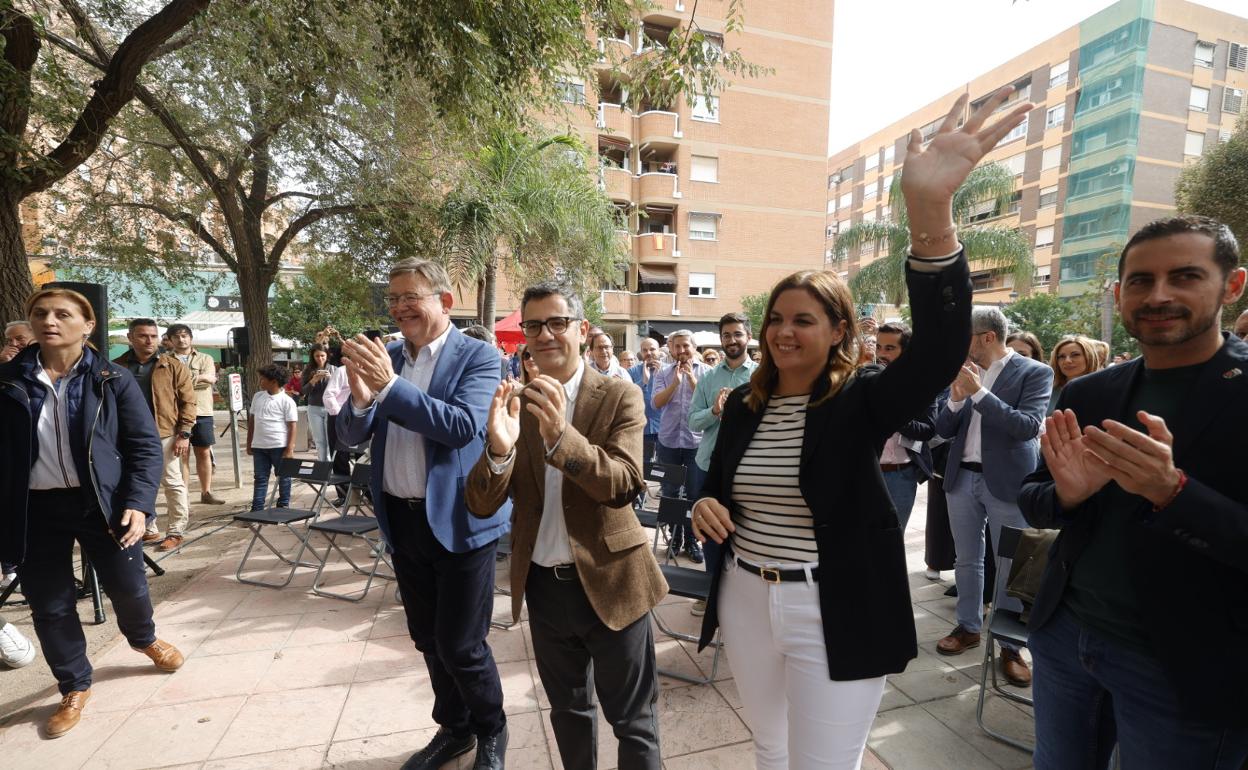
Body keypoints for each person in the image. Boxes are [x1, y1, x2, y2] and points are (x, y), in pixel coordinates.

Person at [690, 88, 1024, 768]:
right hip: (747, 596)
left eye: (804, 318)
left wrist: (929, 212)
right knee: (769, 747)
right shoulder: (748, 407)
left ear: (839, 330)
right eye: (776, 318)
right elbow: (720, 491)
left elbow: (936, 351)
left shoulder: (862, 399)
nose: (784, 330)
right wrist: (704, 505)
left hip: (834, 600)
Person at [1019, 215, 1248, 769]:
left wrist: (1173, 492)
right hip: (1067, 637)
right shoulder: (1093, 390)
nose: (1159, 295)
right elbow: (1033, 495)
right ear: (1120, 295)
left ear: (1233, 285)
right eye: (1142, 281)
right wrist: (1068, 497)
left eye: (1186, 276)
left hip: (1184, 667)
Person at [467, 282, 665, 770]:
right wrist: (498, 450)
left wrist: (563, 438)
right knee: (568, 712)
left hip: (613, 582)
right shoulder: (519, 402)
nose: (545, 334)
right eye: (534, 325)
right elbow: (480, 503)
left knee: (633, 721)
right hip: (545, 588)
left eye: (557, 322)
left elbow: (624, 483)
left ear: (581, 329)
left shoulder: (619, 394)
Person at [337, 258, 510, 770]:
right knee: (428, 639)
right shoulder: (387, 356)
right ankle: (454, 729)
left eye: (410, 297)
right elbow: (349, 436)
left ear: (445, 302)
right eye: (392, 299)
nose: (399, 308)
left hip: (460, 524)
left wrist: (390, 388)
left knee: (463, 645)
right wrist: (365, 401)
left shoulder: (479, 356)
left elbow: (460, 427)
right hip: (402, 521)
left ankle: (492, 728)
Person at [0, 288, 184, 738]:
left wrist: (140, 505)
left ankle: (144, 638)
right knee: (51, 604)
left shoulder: (112, 379)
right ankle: (74, 685)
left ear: (88, 325)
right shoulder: (7, 381)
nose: (50, 321)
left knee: (129, 587)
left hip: (103, 503)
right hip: (34, 508)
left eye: (64, 314)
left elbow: (143, 448)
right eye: (41, 314)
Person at [933, 305, 1052, 687]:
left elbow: (1027, 427)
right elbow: (944, 427)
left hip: (1009, 483)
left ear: (986, 337)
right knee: (967, 560)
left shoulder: (1035, 372)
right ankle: (968, 627)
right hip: (962, 478)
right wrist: (954, 398)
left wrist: (979, 393)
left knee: (1014, 566)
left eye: (963, 337)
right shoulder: (964, 372)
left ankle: (1010, 647)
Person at [687, 313, 756, 615]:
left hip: (746, 469)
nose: (731, 340)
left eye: (737, 334)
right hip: (708, 466)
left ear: (748, 337)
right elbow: (692, 420)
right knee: (711, 533)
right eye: (726, 335)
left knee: (746, 533)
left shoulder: (762, 377)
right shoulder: (708, 378)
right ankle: (710, 592)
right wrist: (714, 411)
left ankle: (744, 595)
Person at [113, 319, 197, 552]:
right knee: (134, 482)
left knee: (172, 482)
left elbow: (188, 401)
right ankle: (148, 528)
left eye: (153, 335)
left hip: (164, 433)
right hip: (128, 435)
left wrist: (185, 433)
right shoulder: (117, 366)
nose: (149, 340)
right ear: (130, 338)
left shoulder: (172, 365)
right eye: (142, 336)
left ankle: (176, 530)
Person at [651, 329, 712, 562]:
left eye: (686, 346)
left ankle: (692, 540)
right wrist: (675, 383)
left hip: (696, 443)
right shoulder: (664, 373)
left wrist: (693, 381)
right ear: (672, 348)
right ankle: (674, 539)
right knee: (670, 493)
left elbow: (710, 405)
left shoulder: (707, 372)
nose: (682, 351)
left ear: (693, 347)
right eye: (677, 346)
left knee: (695, 495)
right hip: (668, 442)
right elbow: (656, 403)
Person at [875, 322, 939, 530]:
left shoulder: (921, 385)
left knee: (892, 542)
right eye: (878, 347)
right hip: (865, 473)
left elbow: (928, 430)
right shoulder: (861, 381)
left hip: (900, 475)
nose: (881, 353)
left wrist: (892, 410)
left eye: (889, 348)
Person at [166, 324, 225, 505]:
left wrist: (182, 381)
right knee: (181, 454)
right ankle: (183, 497)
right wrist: (197, 378)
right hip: (176, 413)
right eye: (176, 336)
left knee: (204, 452)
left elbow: (210, 379)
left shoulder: (205, 358)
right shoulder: (165, 360)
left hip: (202, 412)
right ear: (170, 340)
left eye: (184, 336)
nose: (181, 339)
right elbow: (167, 385)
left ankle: (206, 492)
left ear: (191, 338)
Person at [246, 365, 298, 511]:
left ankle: (283, 505)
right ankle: (257, 509)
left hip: (278, 446)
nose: (260, 381)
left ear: (274, 381)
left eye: (263, 379)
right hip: (259, 447)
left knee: (283, 476)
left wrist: (289, 449)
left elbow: (292, 426)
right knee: (260, 478)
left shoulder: (287, 401)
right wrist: (249, 443)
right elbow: (252, 421)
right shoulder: (258, 396)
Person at [628, 337, 664, 484]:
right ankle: (639, 499)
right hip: (641, 429)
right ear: (641, 353)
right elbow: (627, 395)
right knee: (640, 468)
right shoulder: (631, 371)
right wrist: (642, 381)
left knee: (664, 470)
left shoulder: (669, 370)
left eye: (652, 349)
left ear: (659, 351)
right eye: (645, 350)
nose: (648, 353)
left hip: (664, 429)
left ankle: (663, 498)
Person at [301, 344, 337, 462]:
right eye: (317, 356)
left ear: (327, 356)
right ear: (313, 356)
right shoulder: (308, 370)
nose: (320, 358)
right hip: (314, 408)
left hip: (330, 408)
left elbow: (340, 391)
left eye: (322, 355)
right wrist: (313, 380)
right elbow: (303, 391)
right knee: (319, 440)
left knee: (330, 438)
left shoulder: (334, 369)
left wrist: (331, 378)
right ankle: (323, 465)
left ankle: (331, 467)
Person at [1048, 335, 1099, 414]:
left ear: (1089, 357)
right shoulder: (1047, 391)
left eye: (1075, 355)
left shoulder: (1104, 390)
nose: (1067, 361)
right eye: (1062, 356)